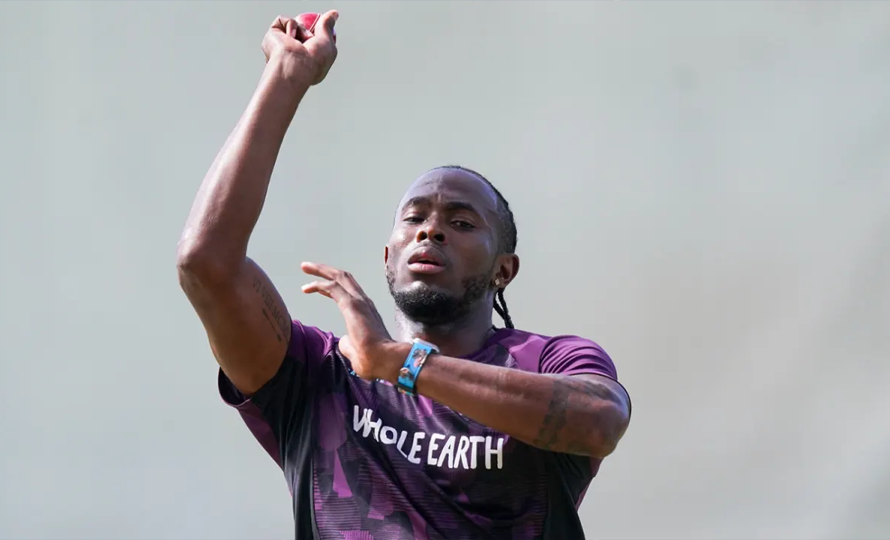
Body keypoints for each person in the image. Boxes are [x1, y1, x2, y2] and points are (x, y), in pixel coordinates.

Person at [176, 10, 632, 540]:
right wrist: (285, 76)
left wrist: (400, 363)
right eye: (414, 219)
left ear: (503, 270)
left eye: (461, 223)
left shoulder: (549, 361)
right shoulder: (318, 374)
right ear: (387, 256)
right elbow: (205, 262)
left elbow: (601, 420)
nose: (430, 231)